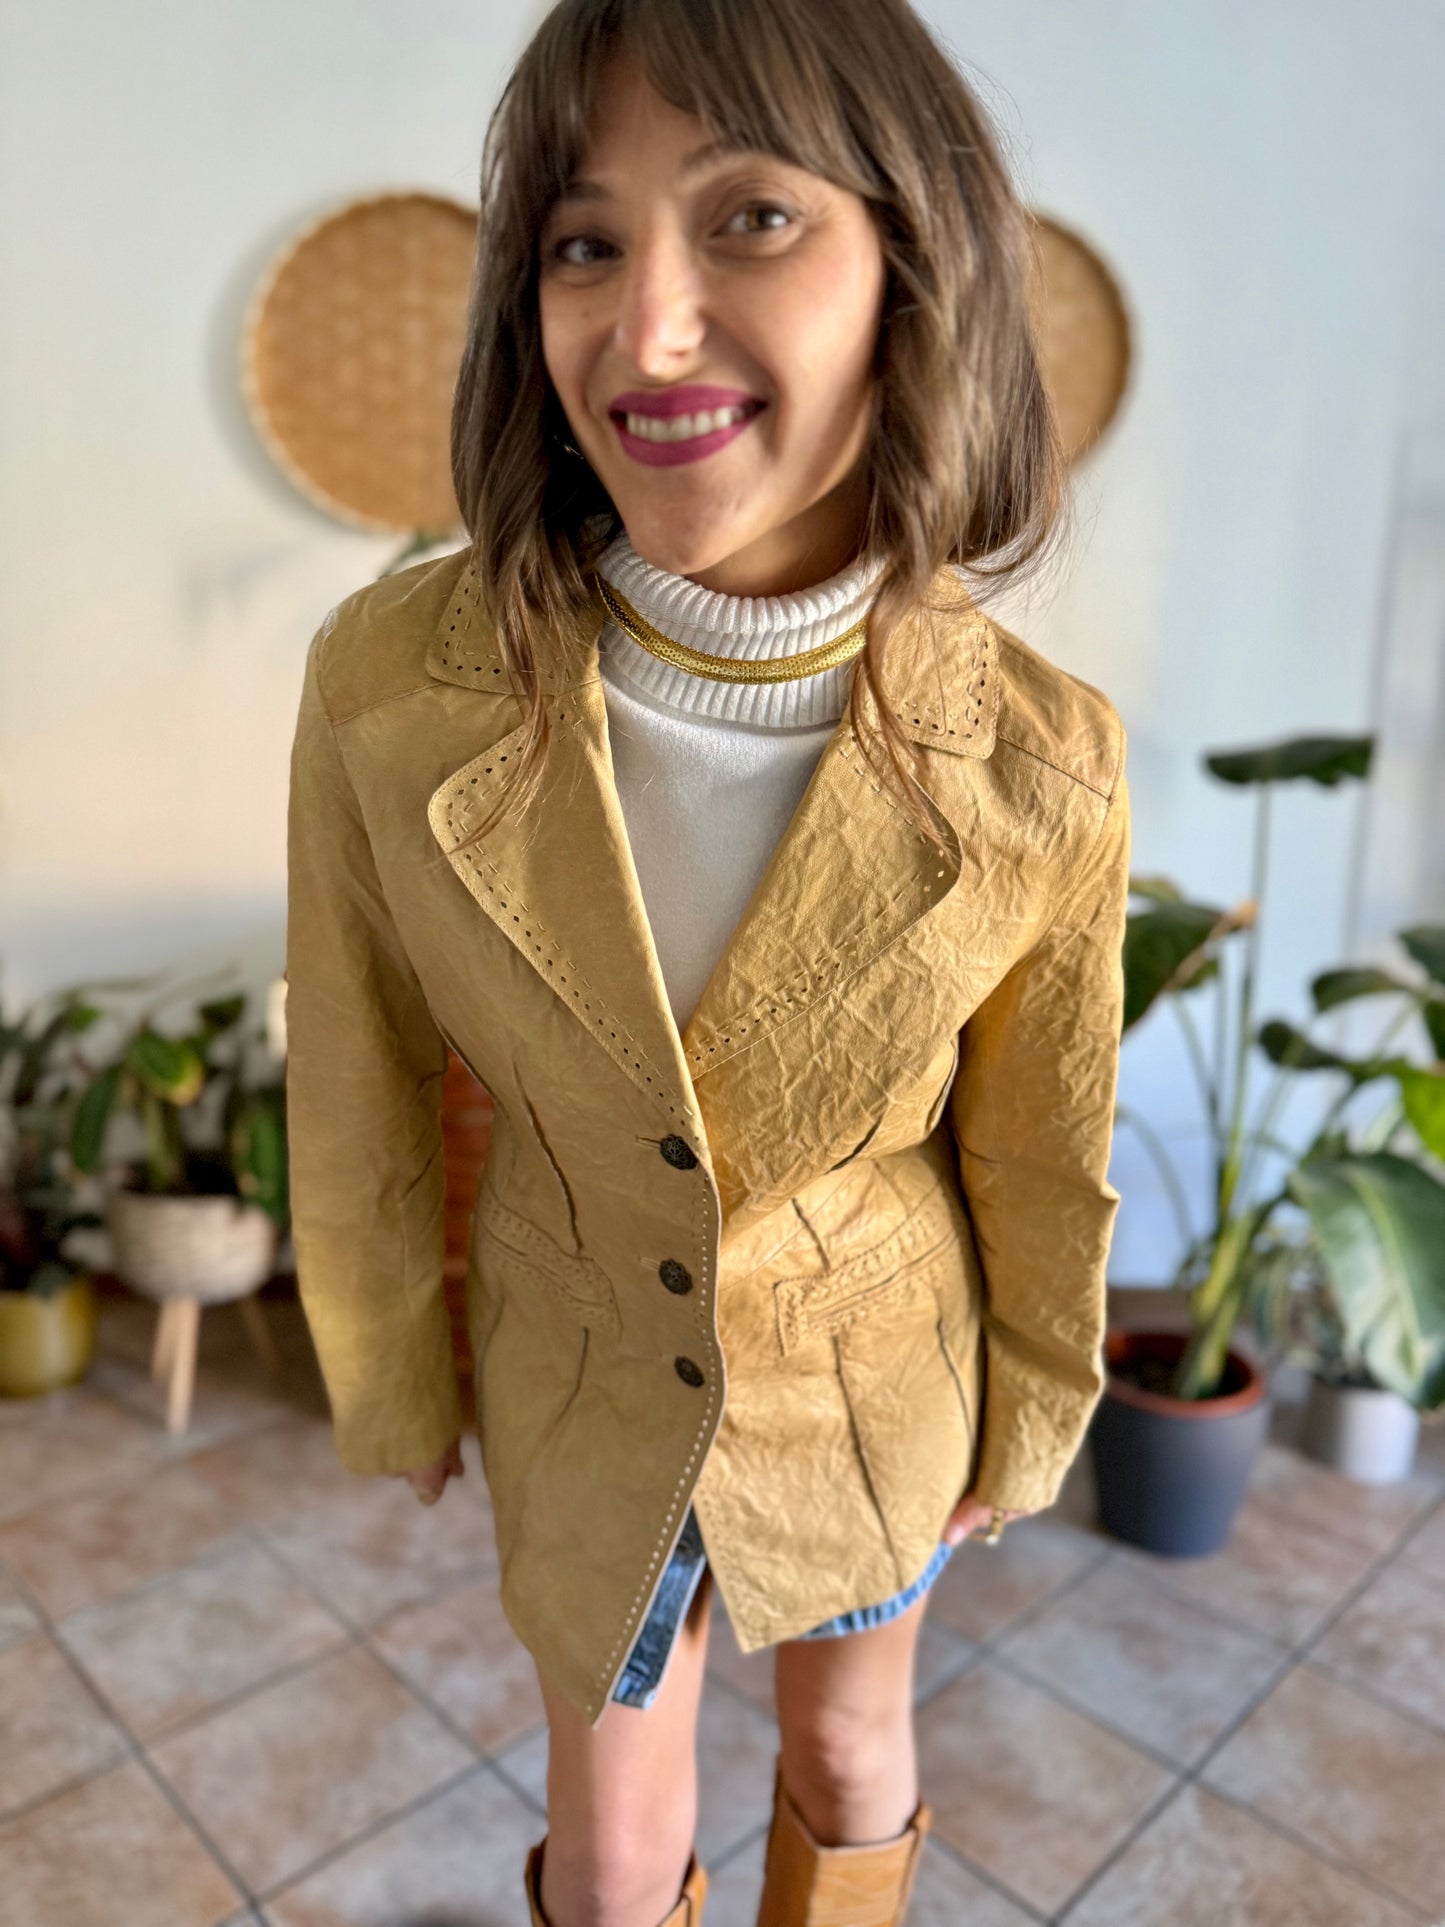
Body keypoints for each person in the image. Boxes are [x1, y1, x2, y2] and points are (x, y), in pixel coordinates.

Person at [284, 2, 1132, 1923]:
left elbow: (1037, 1131)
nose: (643, 328)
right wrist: (392, 1368)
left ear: (911, 266)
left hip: (867, 1367)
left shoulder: (1041, 758)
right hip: (579, 1355)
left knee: (846, 1752)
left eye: (749, 217)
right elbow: (355, 1055)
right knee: (605, 1831)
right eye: (585, 242)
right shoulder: (387, 690)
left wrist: (1035, 1389)